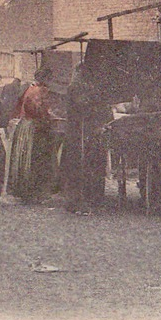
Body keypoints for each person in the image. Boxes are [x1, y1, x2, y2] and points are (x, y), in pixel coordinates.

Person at [63, 64, 110, 213]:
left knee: (88, 166)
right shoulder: (75, 88)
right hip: (79, 133)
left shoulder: (82, 88)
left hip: (85, 133)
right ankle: (78, 201)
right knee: (79, 166)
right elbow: (82, 105)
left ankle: (89, 198)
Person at [7, 67, 58, 202]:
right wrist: (49, 117)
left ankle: (26, 192)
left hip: (25, 126)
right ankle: (35, 193)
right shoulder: (40, 90)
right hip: (35, 127)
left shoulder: (29, 88)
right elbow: (39, 110)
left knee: (25, 160)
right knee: (37, 159)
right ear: (45, 79)